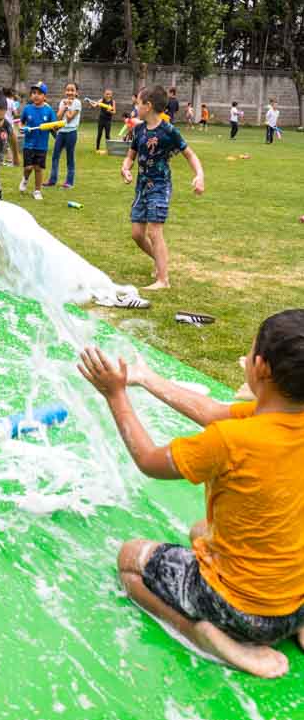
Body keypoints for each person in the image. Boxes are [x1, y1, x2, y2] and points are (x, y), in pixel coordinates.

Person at [78, 308, 304, 679]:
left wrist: (115, 394)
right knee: (202, 531)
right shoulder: (278, 418)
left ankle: (201, 634)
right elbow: (213, 411)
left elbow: (149, 460)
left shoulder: (229, 443)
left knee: (131, 559)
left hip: (238, 614)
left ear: (260, 367)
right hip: (294, 602)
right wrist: (148, 379)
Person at [121, 85, 204, 290]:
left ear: (148, 106)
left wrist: (199, 175)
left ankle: (163, 280)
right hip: (142, 186)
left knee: (154, 232)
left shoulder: (168, 131)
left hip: (160, 186)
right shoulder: (139, 129)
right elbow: (131, 155)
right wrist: (125, 168)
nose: (135, 106)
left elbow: (190, 154)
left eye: (138, 103)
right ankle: (159, 261)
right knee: (137, 234)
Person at [19, 81, 56, 200]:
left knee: (38, 168)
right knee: (28, 167)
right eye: (34, 93)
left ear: (44, 96)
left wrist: (55, 129)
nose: (36, 95)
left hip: (42, 145)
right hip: (28, 144)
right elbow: (21, 122)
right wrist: (21, 128)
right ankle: (25, 179)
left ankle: (37, 190)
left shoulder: (48, 111)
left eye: (39, 93)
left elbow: (54, 125)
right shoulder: (27, 109)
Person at [44, 81, 82, 188]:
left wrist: (68, 107)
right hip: (61, 133)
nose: (70, 92)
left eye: (72, 90)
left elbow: (69, 118)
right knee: (55, 157)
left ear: (76, 92)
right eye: (68, 90)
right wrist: (64, 106)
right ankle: (52, 180)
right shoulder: (62, 102)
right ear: (65, 91)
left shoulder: (77, 103)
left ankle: (69, 182)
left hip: (71, 133)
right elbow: (58, 117)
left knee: (70, 157)